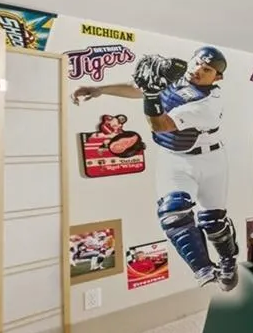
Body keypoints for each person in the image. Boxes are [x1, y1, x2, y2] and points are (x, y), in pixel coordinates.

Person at [71, 46, 239, 291]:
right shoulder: (176, 76)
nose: (198, 71)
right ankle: (204, 269)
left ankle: (228, 260)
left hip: (211, 161)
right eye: (197, 63)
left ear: (217, 77)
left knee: (212, 222)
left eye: (207, 70)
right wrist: (100, 89)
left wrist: (151, 95)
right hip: (174, 158)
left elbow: (161, 124)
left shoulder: (209, 104)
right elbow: (138, 87)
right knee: (172, 214)